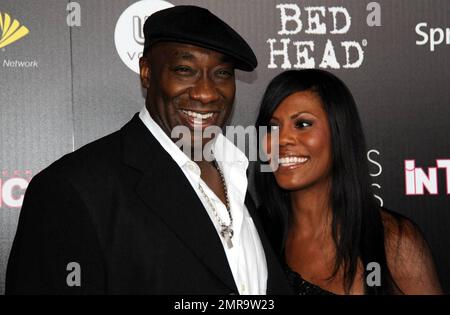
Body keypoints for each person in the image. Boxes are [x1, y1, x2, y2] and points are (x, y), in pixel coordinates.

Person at [6, 5, 292, 295]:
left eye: (221, 73)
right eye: (184, 70)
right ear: (146, 72)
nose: (206, 93)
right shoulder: (71, 189)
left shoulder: (237, 174)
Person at [254, 69, 443, 295]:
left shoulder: (392, 241)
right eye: (272, 127)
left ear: (339, 133)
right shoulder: (255, 235)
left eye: (303, 124)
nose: (282, 139)